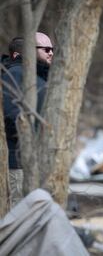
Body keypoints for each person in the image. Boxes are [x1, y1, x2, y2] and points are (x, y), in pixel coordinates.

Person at [1, 32, 54, 206]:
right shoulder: (16, 73)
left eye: (52, 49)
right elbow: (11, 115)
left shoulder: (38, 77)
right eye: (46, 49)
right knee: (18, 217)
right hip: (17, 163)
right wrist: (35, 136)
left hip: (29, 163)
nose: (51, 53)